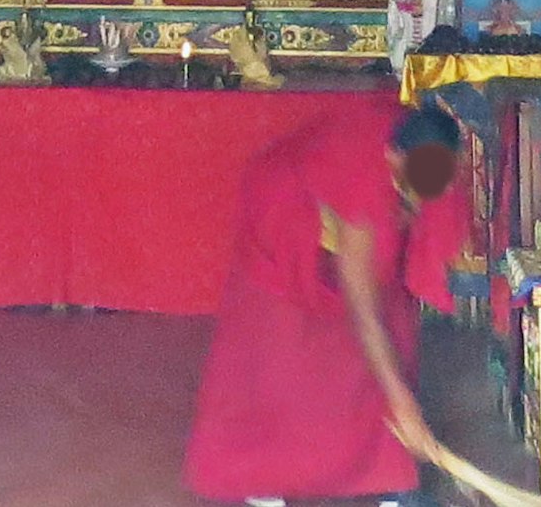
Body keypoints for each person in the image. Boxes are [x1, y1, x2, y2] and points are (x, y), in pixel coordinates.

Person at [185, 101, 466, 507]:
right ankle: (264, 477)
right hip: (285, 218)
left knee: (396, 328)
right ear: (393, 158)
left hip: (353, 217)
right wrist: (400, 400)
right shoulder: (364, 178)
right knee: (284, 354)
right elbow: (363, 307)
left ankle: (390, 476)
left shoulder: (426, 151)